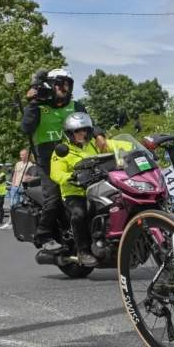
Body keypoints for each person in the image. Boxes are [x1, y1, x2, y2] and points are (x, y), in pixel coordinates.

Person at [20, 68, 106, 252]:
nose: (64, 87)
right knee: (53, 199)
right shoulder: (40, 107)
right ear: (50, 85)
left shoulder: (76, 106)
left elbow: (90, 123)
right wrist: (32, 104)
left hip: (76, 161)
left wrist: (99, 134)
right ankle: (44, 236)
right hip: (47, 163)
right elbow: (26, 128)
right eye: (59, 83)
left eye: (67, 84)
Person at [49, 113, 132, 267]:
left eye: (85, 130)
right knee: (79, 214)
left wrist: (139, 149)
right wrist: (71, 177)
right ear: (69, 133)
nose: (82, 133)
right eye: (78, 131)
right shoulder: (62, 151)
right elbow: (56, 172)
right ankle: (83, 250)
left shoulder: (95, 144)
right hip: (75, 191)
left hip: (99, 188)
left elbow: (119, 145)